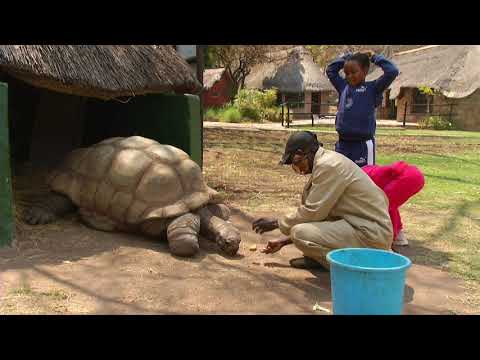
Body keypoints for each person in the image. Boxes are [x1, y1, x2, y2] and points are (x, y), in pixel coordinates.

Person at [252, 131, 393, 270]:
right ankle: (323, 259)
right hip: (363, 227)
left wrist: (277, 223)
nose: (298, 168)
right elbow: (322, 216)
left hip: (370, 234)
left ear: (305, 153)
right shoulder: (325, 163)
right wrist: (284, 242)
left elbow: (312, 212)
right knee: (299, 233)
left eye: (297, 162)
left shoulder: (329, 166)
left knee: (299, 233)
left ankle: (355, 266)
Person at [326, 50, 399, 167]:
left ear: (365, 71)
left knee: (365, 180)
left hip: (363, 146)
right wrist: (347, 57)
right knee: (342, 179)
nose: (349, 76)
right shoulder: (343, 86)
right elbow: (330, 70)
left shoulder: (373, 88)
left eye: (353, 72)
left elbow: (392, 71)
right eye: (346, 73)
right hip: (343, 145)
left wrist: (374, 57)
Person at [362, 161, 425, 247]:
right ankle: (399, 236)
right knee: (390, 205)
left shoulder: (361, 179)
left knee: (384, 205)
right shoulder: (365, 171)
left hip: (408, 177)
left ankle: (391, 238)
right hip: (415, 175)